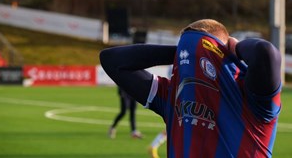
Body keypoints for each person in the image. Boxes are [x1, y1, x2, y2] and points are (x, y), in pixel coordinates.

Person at [100, 19, 282, 157]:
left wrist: (234, 48)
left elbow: (266, 54)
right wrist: (185, 51)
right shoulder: (173, 95)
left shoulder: (251, 96)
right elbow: (112, 60)